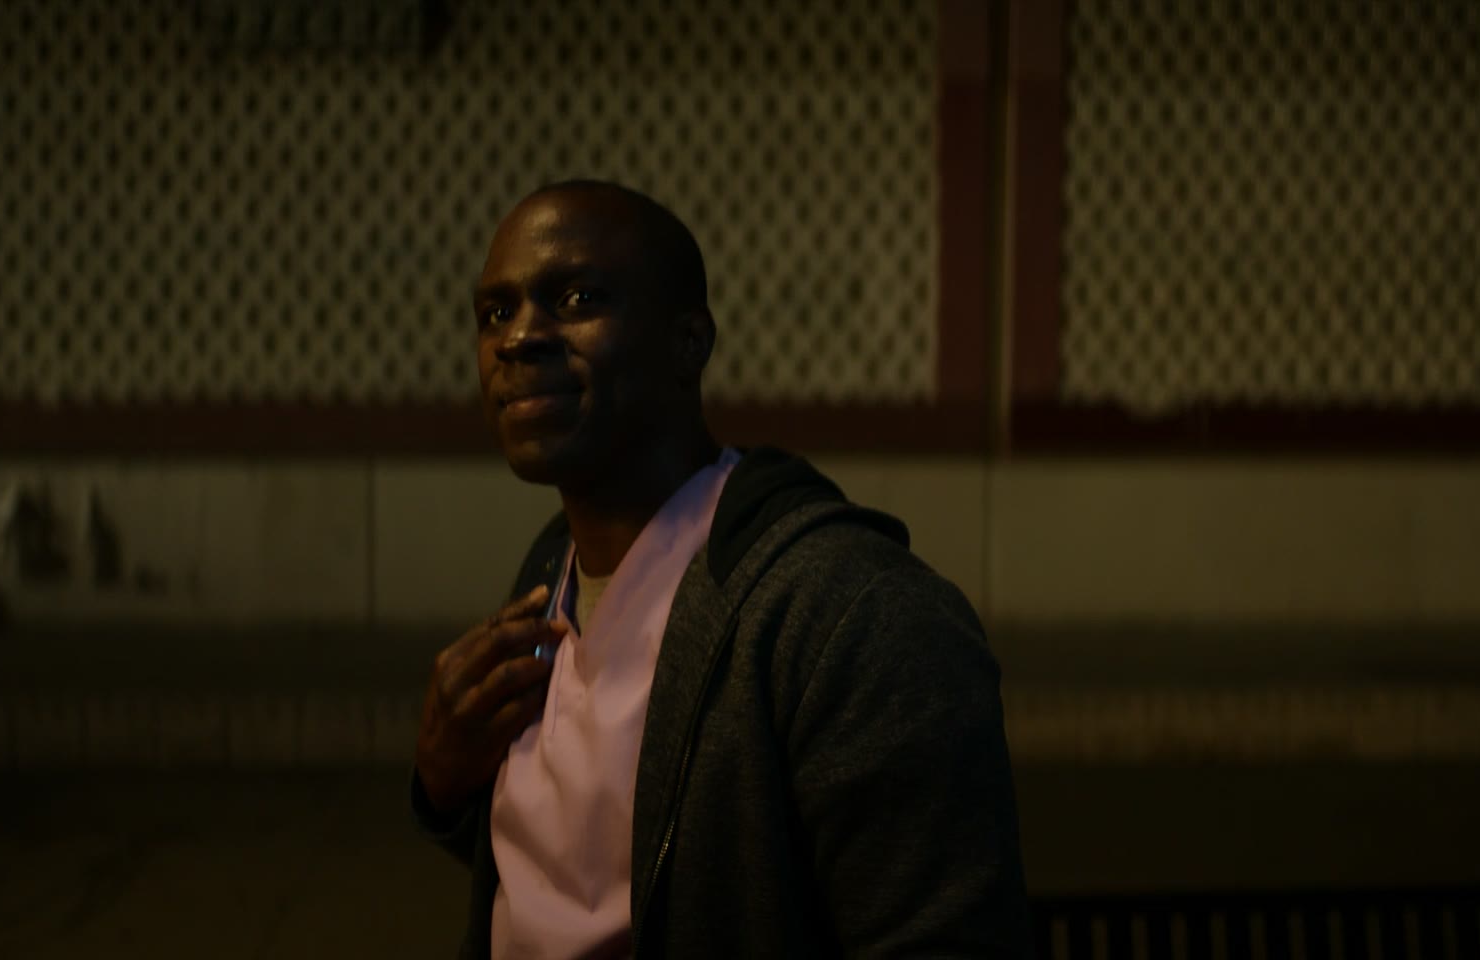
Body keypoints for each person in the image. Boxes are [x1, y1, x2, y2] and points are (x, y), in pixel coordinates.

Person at [411, 180, 1030, 958]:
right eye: (496, 313)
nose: (519, 337)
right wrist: (445, 784)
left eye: (576, 299)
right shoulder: (551, 570)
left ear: (689, 342)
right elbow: (584, 873)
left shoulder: (852, 615)